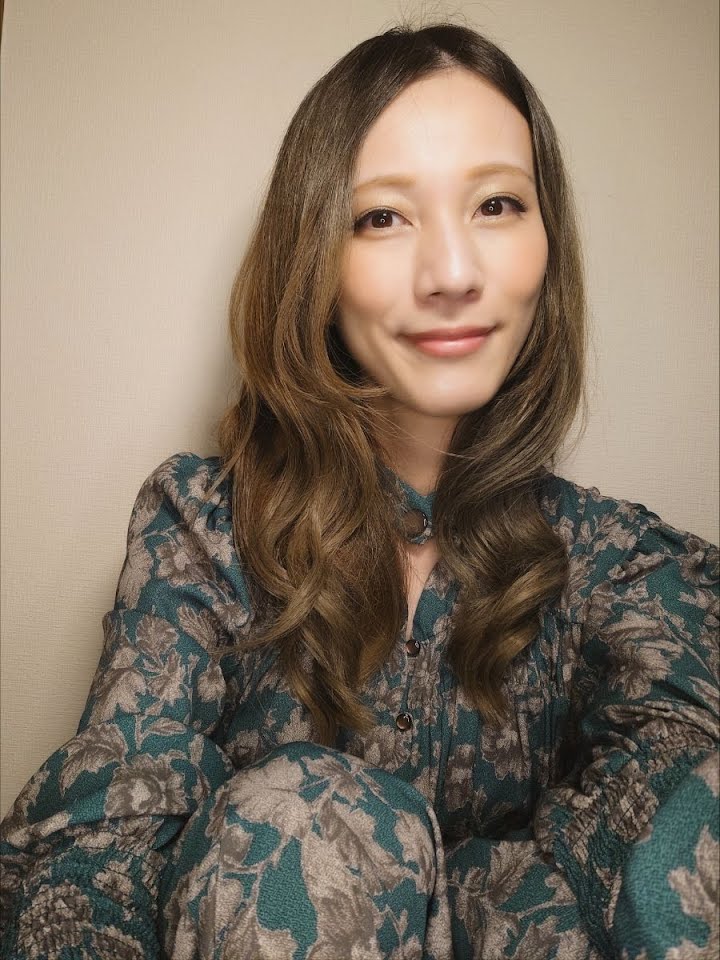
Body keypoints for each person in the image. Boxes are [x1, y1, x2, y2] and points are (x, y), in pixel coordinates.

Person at [1, 20, 718, 960]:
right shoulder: (203, 530)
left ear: (549, 242)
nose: (453, 274)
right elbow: (101, 846)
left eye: (498, 204)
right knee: (307, 814)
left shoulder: (621, 562)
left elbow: (677, 796)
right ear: (316, 259)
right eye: (382, 217)